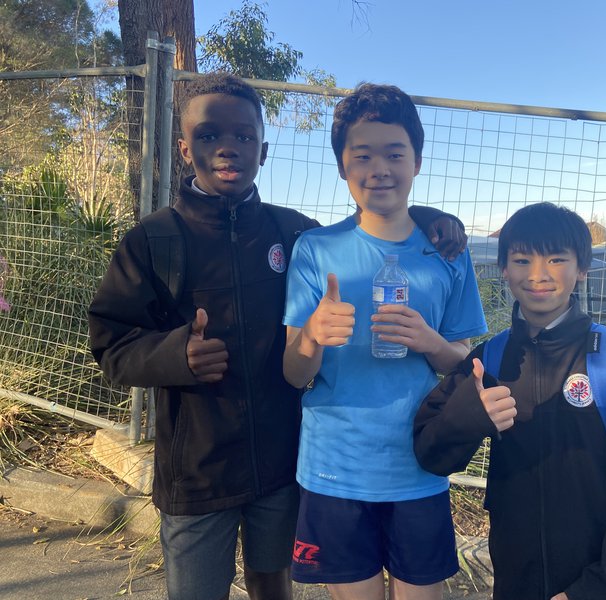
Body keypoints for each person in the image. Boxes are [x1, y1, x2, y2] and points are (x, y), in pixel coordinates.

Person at [88, 73, 466, 600]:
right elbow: (112, 345)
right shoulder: (154, 240)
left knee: (272, 584)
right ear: (184, 148)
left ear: (263, 152)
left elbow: (370, 225)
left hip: (280, 465)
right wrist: (177, 354)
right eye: (209, 135)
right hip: (198, 468)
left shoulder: (291, 232)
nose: (227, 148)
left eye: (244, 136)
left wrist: (432, 219)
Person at [282, 83, 488, 600]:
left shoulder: (447, 251)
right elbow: (294, 373)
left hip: (418, 463)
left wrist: (429, 341)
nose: (380, 169)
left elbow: (464, 363)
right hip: (335, 466)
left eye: (395, 154)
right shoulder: (315, 249)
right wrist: (312, 337)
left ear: (417, 160)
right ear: (342, 166)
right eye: (363, 155)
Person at [413, 202, 606, 600]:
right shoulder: (489, 360)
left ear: (582, 269)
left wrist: (595, 589)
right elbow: (431, 455)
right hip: (519, 580)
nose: (538, 275)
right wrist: (470, 415)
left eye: (556, 259)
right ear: (503, 269)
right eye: (521, 260)